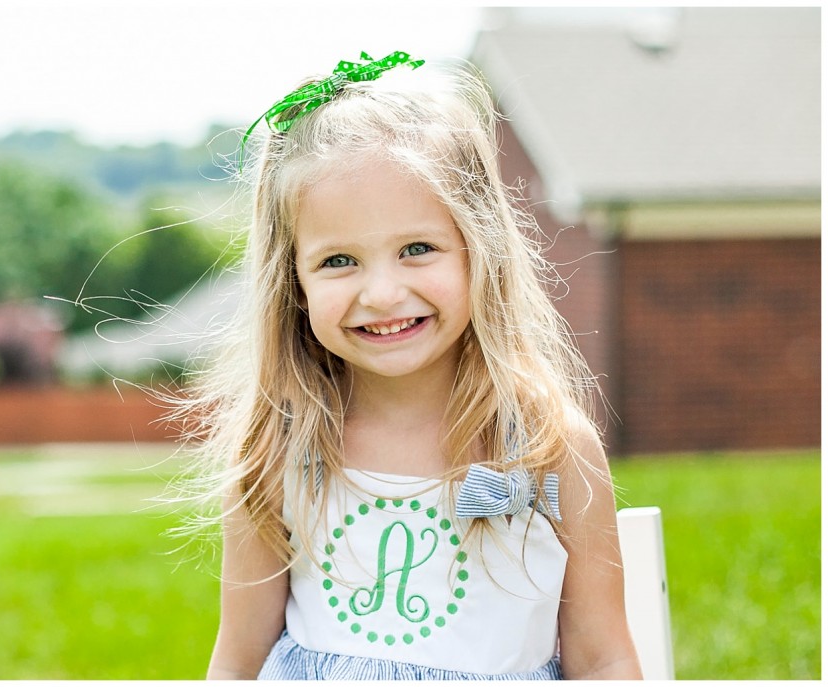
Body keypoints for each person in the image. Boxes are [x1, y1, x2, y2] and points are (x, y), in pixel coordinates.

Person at [189, 51, 643, 680]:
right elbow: (238, 661)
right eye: (339, 261)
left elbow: (603, 658)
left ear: (478, 250)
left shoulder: (547, 447)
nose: (381, 293)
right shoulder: (281, 451)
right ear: (292, 282)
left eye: (417, 249)